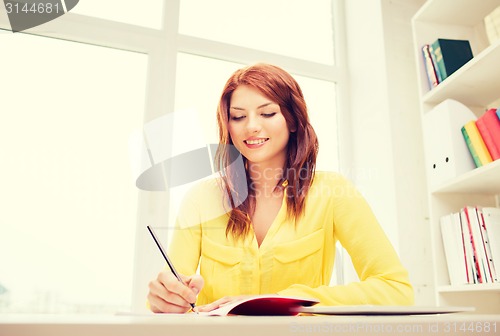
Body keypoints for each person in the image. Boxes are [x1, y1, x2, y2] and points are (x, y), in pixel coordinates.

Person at [147, 63, 414, 313]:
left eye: (268, 113)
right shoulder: (201, 199)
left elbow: (396, 290)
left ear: (293, 120)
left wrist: (283, 301)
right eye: (238, 117)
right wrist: (165, 299)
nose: (252, 126)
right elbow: (174, 294)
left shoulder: (332, 192)